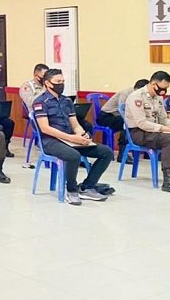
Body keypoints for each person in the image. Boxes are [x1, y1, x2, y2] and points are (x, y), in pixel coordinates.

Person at [33, 69, 113, 205]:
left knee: (106, 152)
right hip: (50, 141)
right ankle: (71, 190)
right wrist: (71, 138)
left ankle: (87, 187)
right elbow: (45, 128)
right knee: (73, 156)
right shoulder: (40, 102)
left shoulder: (66, 101)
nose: (61, 84)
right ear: (47, 83)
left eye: (63, 81)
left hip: (70, 139)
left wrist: (82, 135)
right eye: (58, 81)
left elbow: (75, 124)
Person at [98, 79, 149, 164]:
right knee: (127, 123)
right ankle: (122, 154)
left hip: (118, 116)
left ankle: (146, 152)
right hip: (107, 116)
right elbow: (122, 110)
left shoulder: (142, 95)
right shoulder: (126, 94)